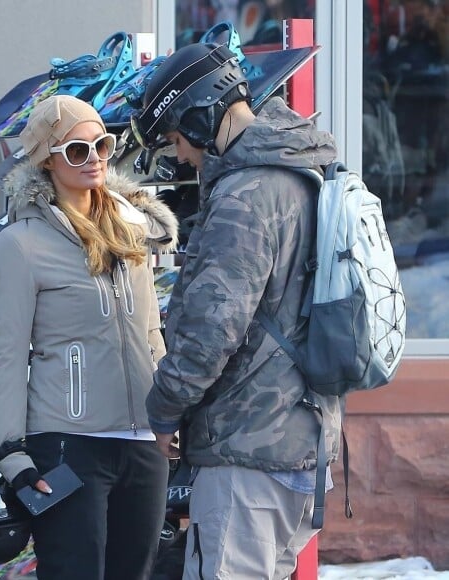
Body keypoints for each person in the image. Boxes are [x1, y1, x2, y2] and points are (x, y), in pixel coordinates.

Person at [131, 42, 343, 580]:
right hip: (299, 438)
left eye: (178, 138)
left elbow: (211, 328)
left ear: (202, 115)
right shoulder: (301, 172)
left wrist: (163, 412)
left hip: (246, 451)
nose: (180, 157)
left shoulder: (246, 195)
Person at [0, 94, 179, 580]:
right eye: (77, 150)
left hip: (142, 443)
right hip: (68, 445)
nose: (93, 159)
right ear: (48, 159)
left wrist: (171, 416)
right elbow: (6, 356)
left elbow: (151, 333)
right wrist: (11, 455)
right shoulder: (20, 244)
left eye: (102, 145)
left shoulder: (131, 230)